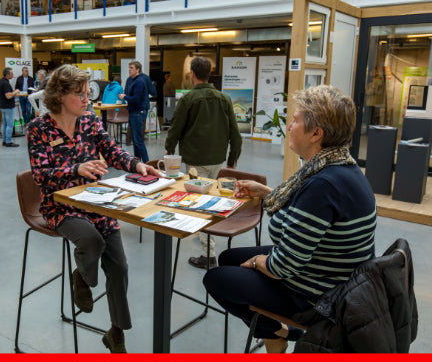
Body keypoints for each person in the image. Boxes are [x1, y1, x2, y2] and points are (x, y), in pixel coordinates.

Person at [203, 85, 377, 353]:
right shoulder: (340, 167)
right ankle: (275, 333)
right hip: (334, 276)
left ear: (316, 134)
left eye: (295, 120)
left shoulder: (323, 185)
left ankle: (279, 333)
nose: (290, 126)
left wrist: (258, 262)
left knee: (214, 278)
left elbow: (283, 266)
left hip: (316, 295)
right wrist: (265, 192)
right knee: (228, 258)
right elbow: (308, 214)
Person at [27, 64, 161, 353]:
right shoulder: (38, 128)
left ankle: (116, 334)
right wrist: (77, 167)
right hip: (59, 203)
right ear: (60, 96)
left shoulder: (90, 122)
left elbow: (112, 151)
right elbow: (40, 175)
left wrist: (138, 165)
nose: (87, 99)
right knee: (90, 240)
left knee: (120, 267)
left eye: (88, 93)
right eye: (80, 94)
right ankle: (83, 276)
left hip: (96, 200)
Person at [165, 57, 242, 269]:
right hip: (217, 159)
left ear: (192, 74)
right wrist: (232, 158)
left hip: (194, 161)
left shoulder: (188, 99)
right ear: (209, 73)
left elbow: (175, 128)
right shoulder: (225, 99)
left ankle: (208, 255)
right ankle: (206, 240)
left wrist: (169, 150)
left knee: (200, 205)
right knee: (211, 199)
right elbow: (235, 132)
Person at [119, 61, 149, 162]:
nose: (129, 69)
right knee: (136, 141)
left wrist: (125, 97)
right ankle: (138, 163)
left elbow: (136, 99)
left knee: (138, 141)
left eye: (131, 68)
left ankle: (147, 163)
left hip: (137, 113)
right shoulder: (135, 80)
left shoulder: (139, 81)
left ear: (138, 69)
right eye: (129, 67)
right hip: (134, 112)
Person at [0, 67, 20, 147]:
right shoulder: (6, 83)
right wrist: (15, 92)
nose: (13, 75)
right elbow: (8, 96)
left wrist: (12, 92)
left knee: (5, 124)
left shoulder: (0, 81)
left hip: (2, 106)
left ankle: (4, 140)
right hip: (8, 107)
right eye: (11, 74)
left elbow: (5, 93)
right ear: (7, 75)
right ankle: (8, 141)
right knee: (10, 124)